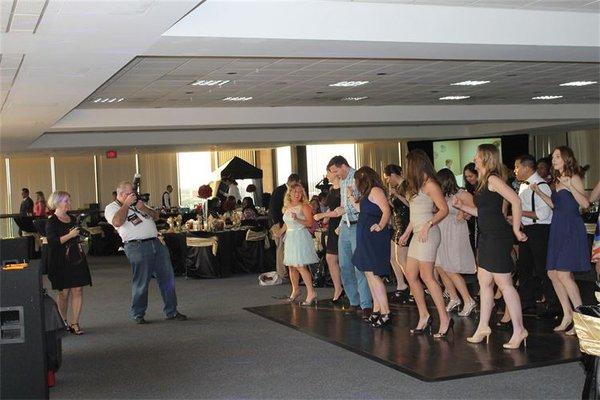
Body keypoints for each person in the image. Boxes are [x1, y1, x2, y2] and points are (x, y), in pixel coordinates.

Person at [453, 144, 528, 349]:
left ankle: (519, 329)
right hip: (487, 237)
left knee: (504, 284)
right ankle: (483, 326)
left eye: (477, 157)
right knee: (484, 281)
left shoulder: (494, 179)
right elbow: (484, 212)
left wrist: (516, 229)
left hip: (498, 238)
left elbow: (516, 201)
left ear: (485, 159)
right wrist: (462, 207)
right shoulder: (483, 182)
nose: (474, 159)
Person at [105, 181, 187, 324]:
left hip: (156, 243)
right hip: (137, 247)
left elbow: (156, 216)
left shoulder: (138, 203)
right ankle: (138, 313)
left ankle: (172, 311)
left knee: (167, 278)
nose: (135, 194)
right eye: (132, 192)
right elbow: (117, 222)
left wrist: (143, 208)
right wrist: (126, 205)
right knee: (141, 281)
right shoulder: (111, 208)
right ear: (123, 194)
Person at [531, 146, 591, 335]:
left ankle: (581, 319)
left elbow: (586, 204)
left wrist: (570, 186)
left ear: (566, 159)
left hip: (571, 228)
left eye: (557, 156)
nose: (554, 159)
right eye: (553, 156)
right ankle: (567, 314)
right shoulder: (555, 181)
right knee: (552, 273)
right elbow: (556, 205)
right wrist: (540, 194)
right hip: (558, 227)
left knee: (564, 274)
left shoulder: (573, 177)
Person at [397, 150, 450, 338]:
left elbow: (443, 209)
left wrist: (429, 225)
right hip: (418, 233)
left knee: (427, 276)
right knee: (411, 274)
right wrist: (406, 232)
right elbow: (415, 215)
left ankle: (444, 319)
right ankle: (424, 315)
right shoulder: (415, 186)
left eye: (408, 165)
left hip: (429, 233)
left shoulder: (430, 185)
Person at [513, 155, 559, 319]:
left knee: (542, 269)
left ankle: (553, 305)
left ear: (526, 167)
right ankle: (527, 303)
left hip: (540, 231)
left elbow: (543, 214)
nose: (515, 170)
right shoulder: (523, 186)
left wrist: (518, 213)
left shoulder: (542, 186)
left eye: (517, 167)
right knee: (524, 268)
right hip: (528, 229)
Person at [328, 156, 373, 320]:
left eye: (335, 171)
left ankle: (366, 303)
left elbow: (360, 204)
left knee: (359, 266)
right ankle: (354, 300)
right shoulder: (342, 182)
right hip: (346, 226)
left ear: (343, 166)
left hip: (357, 225)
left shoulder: (357, 177)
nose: (334, 175)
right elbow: (343, 206)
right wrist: (340, 224)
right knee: (345, 265)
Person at [350, 167, 392, 327]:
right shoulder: (367, 194)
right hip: (366, 238)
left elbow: (386, 210)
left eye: (356, 180)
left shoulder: (375, 190)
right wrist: (351, 197)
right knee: (369, 274)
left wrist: (380, 225)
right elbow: (361, 209)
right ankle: (378, 308)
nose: (355, 183)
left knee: (374, 275)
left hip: (374, 238)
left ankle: (385, 312)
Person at [46, 191, 92, 335]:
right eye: (66, 201)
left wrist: (80, 236)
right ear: (57, 203)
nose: (69, 203)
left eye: (68, 200)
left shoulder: (72, 219)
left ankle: (75, 323)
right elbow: (53, 242)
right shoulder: (51, 221)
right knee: (64, 293)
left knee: (78, 289)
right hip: (60, 260)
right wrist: (70, 235)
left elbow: (77, 237)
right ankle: (63, 321)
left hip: (76, 258)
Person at [434, 168, 477, 317]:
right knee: (439, 266)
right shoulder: (441, 195)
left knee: (451, 268)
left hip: (455, 231)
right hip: (441, 230)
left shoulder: (462, 194)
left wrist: (463, 213)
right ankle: (453, 297)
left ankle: (468, 300)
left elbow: (474, 211)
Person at [278, 182, 319, 305]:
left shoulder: (305, 206)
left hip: (300, 236)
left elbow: (310, 223)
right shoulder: (287, 207)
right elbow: (287, 223)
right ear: (289, 193)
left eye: (300, 192)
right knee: (291, 266)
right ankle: (296, 290)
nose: (298, 194)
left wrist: (297, 219)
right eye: (295, 192)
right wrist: (280, 232)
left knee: (300, 265)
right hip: (290, 236)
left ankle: (311, 292)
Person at [314, 169, 344, 303]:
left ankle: (349, 288)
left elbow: (342, 210)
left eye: (329, 172)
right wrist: (326, 217)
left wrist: (323, 215)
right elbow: (331, 208)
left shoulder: (344, 188)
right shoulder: (332, 189)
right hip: (332, 225)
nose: (327, 176)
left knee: (344, 260)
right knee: (330, 257)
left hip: (343, 224)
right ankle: (338, 288)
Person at [383, 164, 410, 303]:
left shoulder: (406, 185)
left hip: (406, 224)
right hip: (398, 224)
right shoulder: (396, 188)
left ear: (393, 175)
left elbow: (411, 204)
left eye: (387, 178)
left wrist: (397, 195)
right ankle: (401, 285)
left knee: (402, 259)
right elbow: (396, 208)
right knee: (393, 257)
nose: (387, 181)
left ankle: (413, 286)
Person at [268, 174, 301, 281]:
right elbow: (274, 209)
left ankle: (285, 272)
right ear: (292, 181)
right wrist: (277, 225)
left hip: (284, 223)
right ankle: (282, 273)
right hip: (278, 223)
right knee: (280, 247)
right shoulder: (279, 191)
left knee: (284, 247)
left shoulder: (284, 190)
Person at [462, 163, 479, 253]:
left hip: (480, 219)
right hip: (472, 220)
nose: (468, 179)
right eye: (466, 177)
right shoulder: (468, 188)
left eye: (470, 176)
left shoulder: (483, 186)